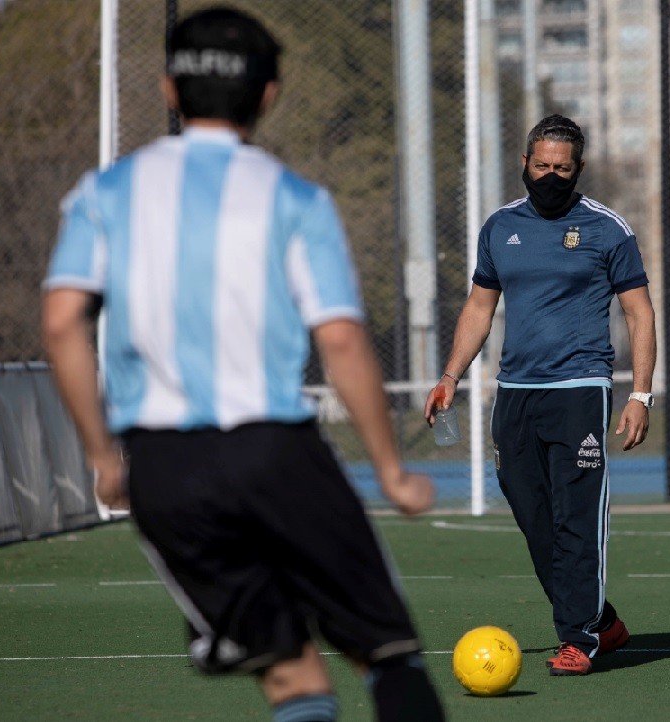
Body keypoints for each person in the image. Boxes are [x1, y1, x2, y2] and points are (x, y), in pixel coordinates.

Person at [40, 8, 444, 722]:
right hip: (276, 452)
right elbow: (344, 341)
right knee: (384, 654)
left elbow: (61, 322)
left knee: (288, 674)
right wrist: (389, 469)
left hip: (165, 468)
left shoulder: (105, 193)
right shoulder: (294, 199)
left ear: (169, 89)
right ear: (268, 95)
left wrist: (104, 455)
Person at [424, 114, 657, 676]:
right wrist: (451, 375)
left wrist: (640, 393)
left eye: (563, 168)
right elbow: (480, 308)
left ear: (578, 170)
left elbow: (638, 312)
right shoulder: (500, 226)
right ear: (524, 164)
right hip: (515, 392)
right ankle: (602, 621)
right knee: (533, 513)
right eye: (542, 165)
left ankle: (579, 637)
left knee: (577, 514)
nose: (551, 175)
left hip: (580, 388)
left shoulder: (608, 229)